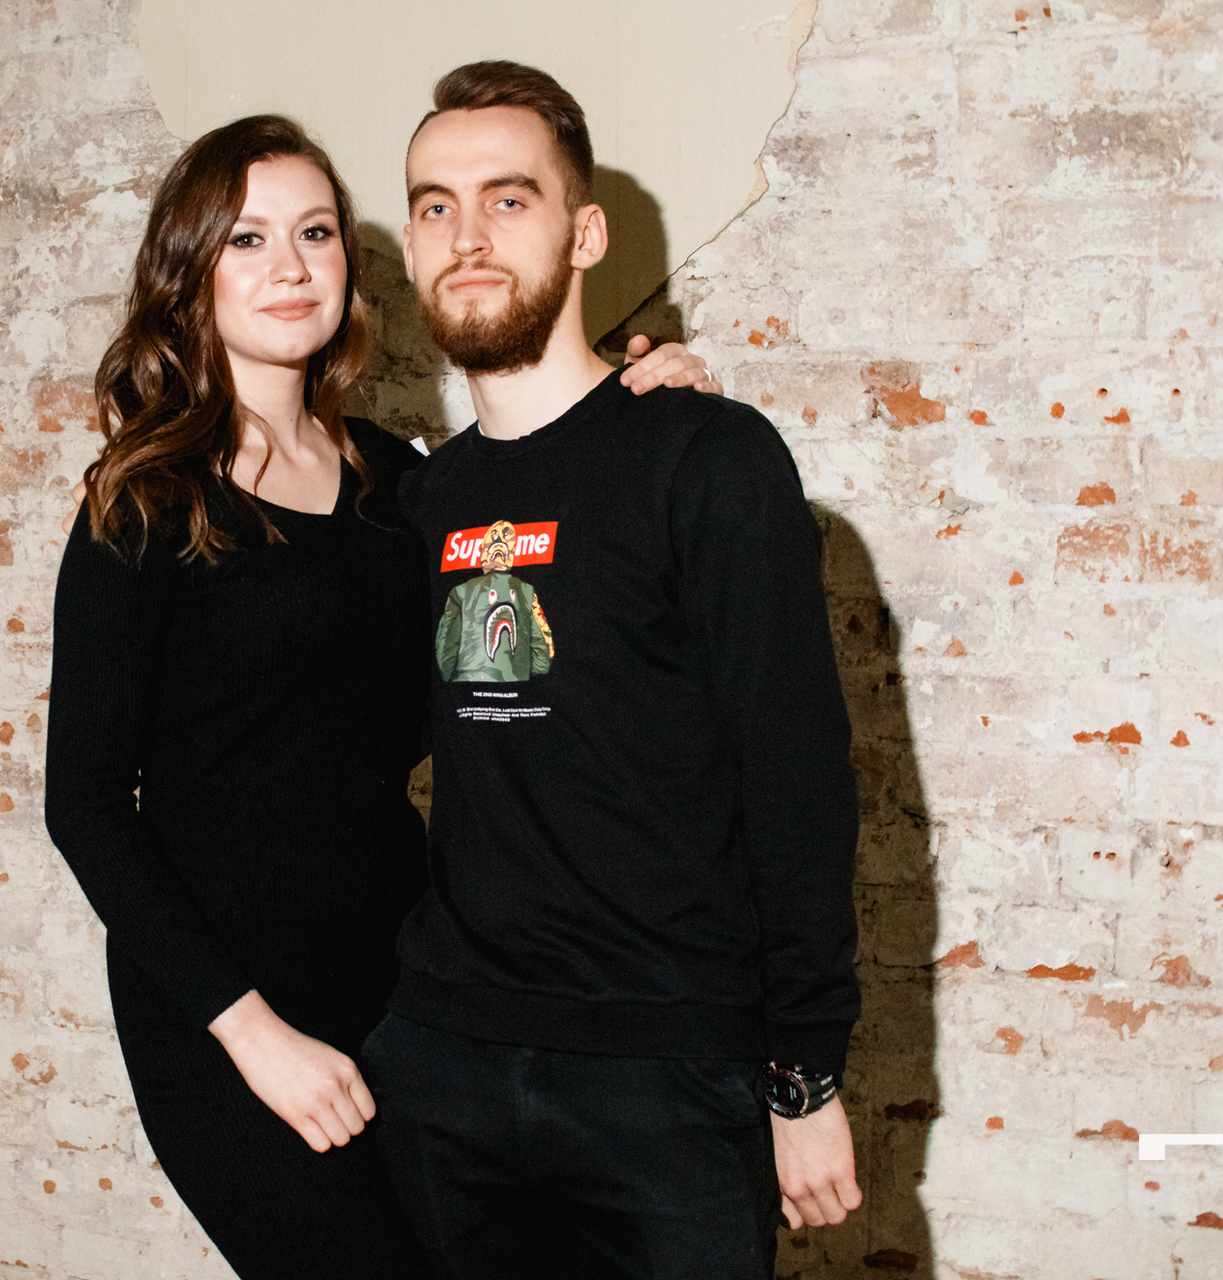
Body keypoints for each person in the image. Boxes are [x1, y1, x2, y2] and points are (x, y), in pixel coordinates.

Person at [42, 112, 718, 1279]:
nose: (291, 265)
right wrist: (256, 1036)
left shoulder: (395, 480)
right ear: (189, 270)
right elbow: (86, 803)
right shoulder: (145, 498)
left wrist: (640, 400)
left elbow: (523, 589)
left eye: (316, 232)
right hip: (227, 1006)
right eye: (247, 239)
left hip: (410, 978)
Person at [358, 61, 863, 1279]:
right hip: (448, 1068)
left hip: (665, 1079)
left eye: (508, 199)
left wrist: (803, 1075)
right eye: (435, 206)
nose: (467, 237)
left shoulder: (706, 457)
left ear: (584, 234)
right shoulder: (416, 500)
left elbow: (795, 778)